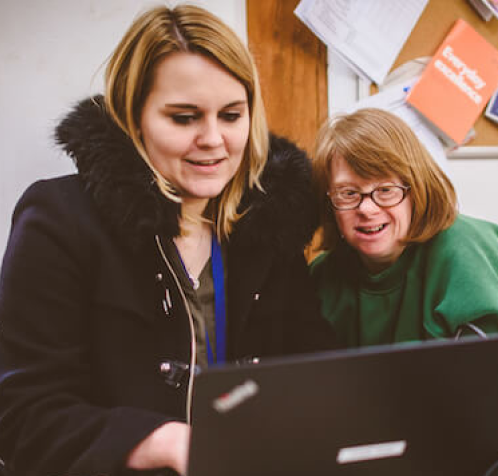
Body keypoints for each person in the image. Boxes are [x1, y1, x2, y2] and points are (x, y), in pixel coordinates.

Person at [0, 5, 336, 476]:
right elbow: (22, 417)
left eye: (232, 115)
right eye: (184, 118)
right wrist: (160, 440)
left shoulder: (267, 225)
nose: (214, 140)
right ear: (133, 118)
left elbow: (313, 369)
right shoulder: (58, 220)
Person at [310, 108, 498, 397]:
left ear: (416, 189)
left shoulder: (466, 253)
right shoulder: (322, 276)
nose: (367, 208)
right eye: (348, 193)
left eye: (385, 189)